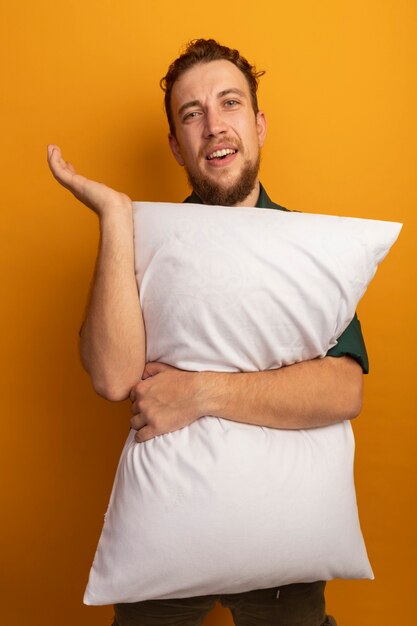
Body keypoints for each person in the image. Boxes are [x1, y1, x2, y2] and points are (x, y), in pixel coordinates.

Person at [48, 38, 368, 626]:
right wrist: (117, 221)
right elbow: (113, 377)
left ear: (259, 123)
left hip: (285, 549)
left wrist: (198, 393)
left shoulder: (313, 250)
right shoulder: (143, 246)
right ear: (175, 143)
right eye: (192, 114)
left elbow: (343, 391)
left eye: (229, 104)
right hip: (164, 538)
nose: (214, 127)